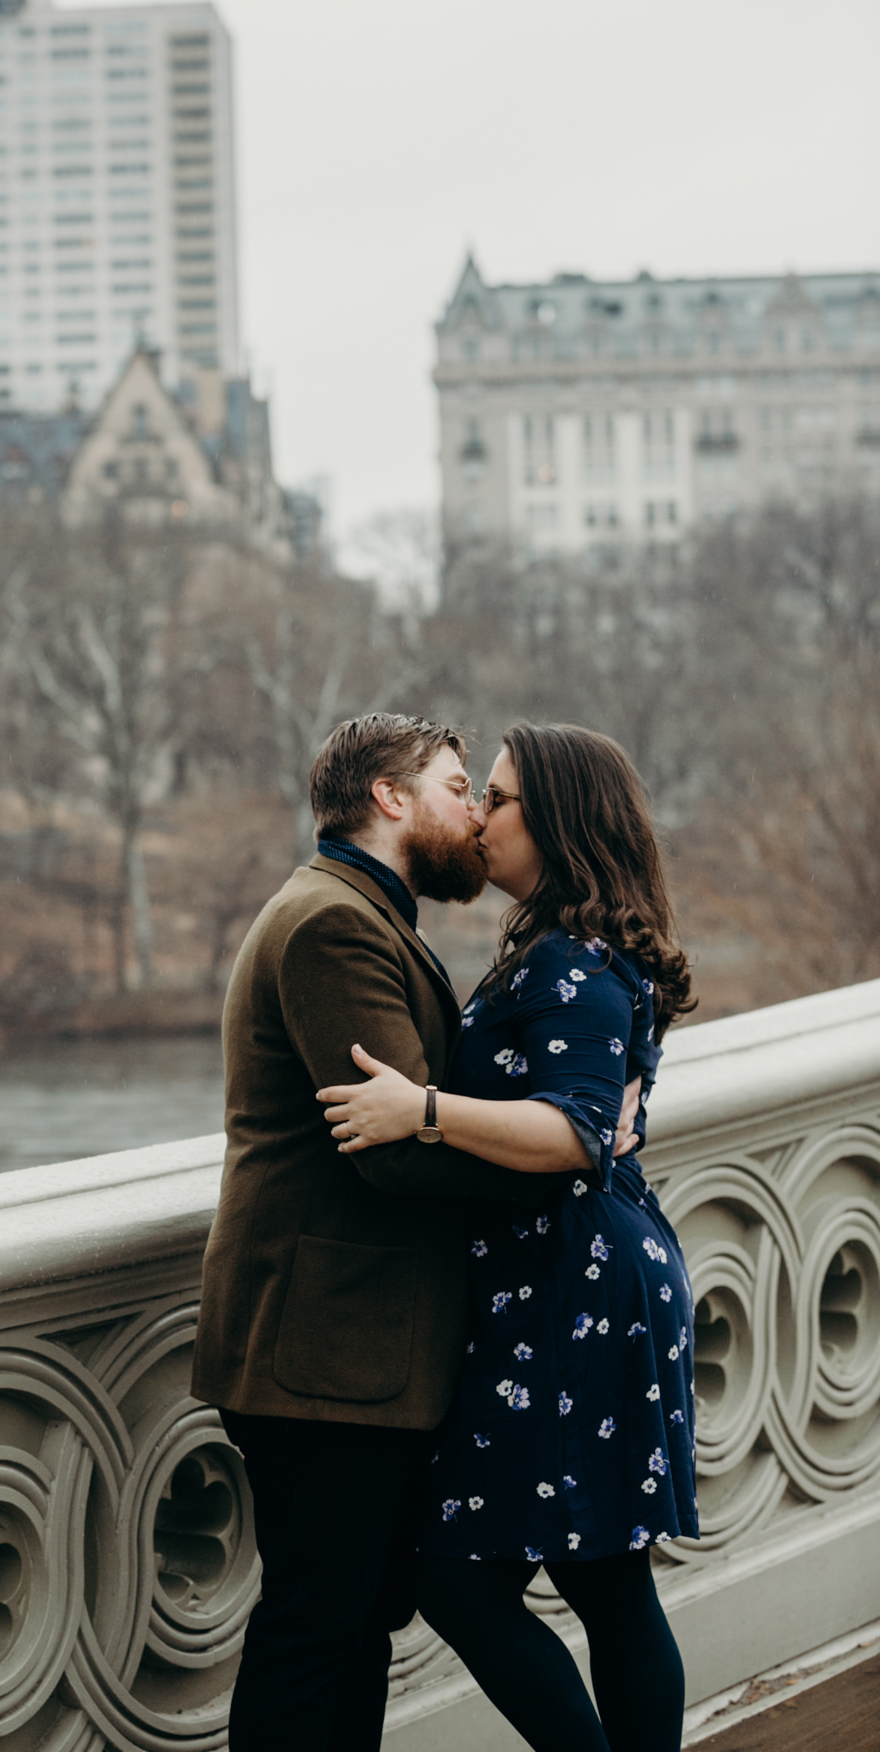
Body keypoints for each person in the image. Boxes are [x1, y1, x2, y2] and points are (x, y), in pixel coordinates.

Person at [189, 713, 639, 1752]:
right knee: (317, 1628)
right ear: (389, 798)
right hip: (324, 1349)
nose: (473, 812)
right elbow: (389, 1143)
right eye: (452, 785)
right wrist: (562, 1153)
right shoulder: (334, 924)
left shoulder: (366, 913)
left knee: (354, 1626)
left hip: (357, 1350)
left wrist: (557, 1129)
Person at [319, 722, 697, 1752]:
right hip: (572, 1274)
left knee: (466, 1579)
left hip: (570, 1286)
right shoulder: (565, 947)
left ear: (562, 819)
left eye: (499, 798)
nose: (478, 817)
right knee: (603, 1575)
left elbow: (575, 1129)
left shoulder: (570, 959)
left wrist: (424, 1109)